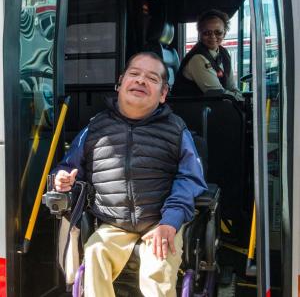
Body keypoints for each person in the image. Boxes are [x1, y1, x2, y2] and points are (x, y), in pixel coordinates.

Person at [54, 52, 207, 297]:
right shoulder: (95, 128)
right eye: (134, 74)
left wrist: (170, 221)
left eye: (152, 78)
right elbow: (66, 167)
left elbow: (191, 178)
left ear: (163, 94)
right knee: (94, 253)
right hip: (113, 223)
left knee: (157, 269)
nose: (141, 81)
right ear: (120, 83)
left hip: (160, 222)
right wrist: (60, 179)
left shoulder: (176, 129)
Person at [172, 9, 243, 100]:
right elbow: (217, 94)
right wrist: (241, 100)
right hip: (193, 109)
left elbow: (232, 87)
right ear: (200, 34)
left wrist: (242, 98)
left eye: (218, 32)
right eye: (207, 33)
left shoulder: (224, 53)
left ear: (224, 34)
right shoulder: (197, 58)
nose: (212, 37)